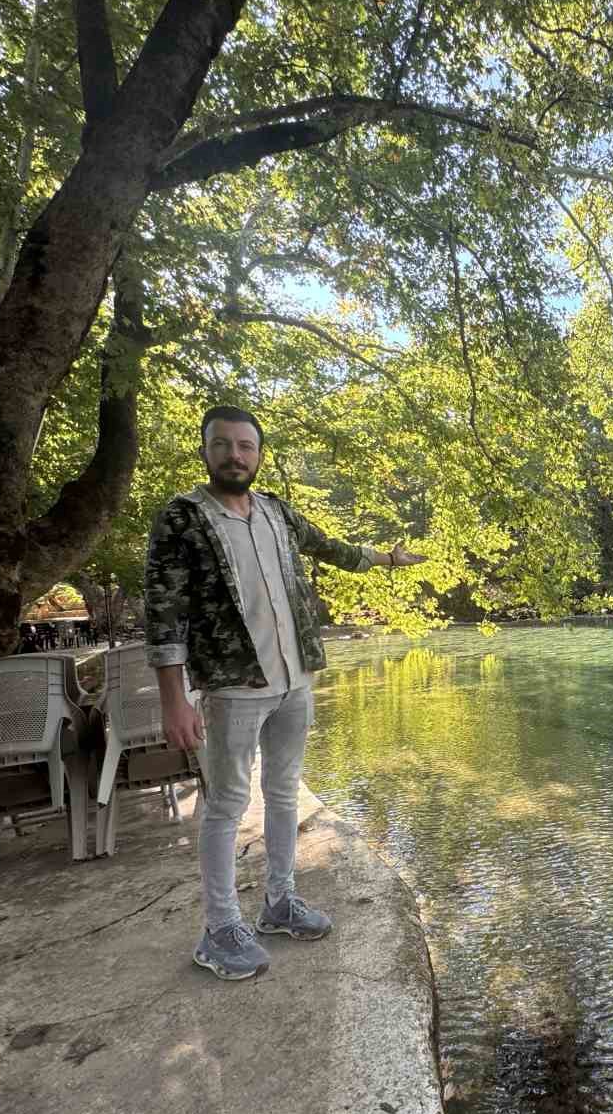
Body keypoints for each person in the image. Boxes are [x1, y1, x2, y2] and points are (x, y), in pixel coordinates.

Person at [144, 405, 424, 980]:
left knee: (283, 793)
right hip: (232, 683)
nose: (235, 455)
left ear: (258, 453)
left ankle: (279, 903)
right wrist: (174, 697)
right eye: (222, 445)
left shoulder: (275, 511)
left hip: (295, 678)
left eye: (245, 446)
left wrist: (386, 559)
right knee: (224, 806)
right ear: (206, 450)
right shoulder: (183, 517)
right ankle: (220, 929)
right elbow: (163, 610)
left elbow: (331, 548)